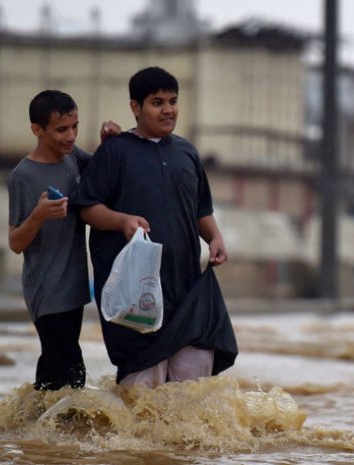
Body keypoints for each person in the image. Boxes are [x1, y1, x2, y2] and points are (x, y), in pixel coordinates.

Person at [77, 66, 238, 388]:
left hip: (187, 289)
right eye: (157, 102)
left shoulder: (187, 152)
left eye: (173, 101)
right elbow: (87, 208)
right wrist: (122, 221)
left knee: (192, 395)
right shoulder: (115, 151)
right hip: (136, 292)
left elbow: (200, 210)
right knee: (140, 396)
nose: (168, 110)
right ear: (136, 108)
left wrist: (215, 237)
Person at [7, 90, 120, 391]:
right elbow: (16, 243)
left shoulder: (74, 159)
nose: (70, 136)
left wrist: (109, 143)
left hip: (74, 289)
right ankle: (63, 433)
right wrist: (38, 215)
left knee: (52, 375)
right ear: (37, 130)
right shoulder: (23, 176)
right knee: (72, 376)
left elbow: (103, 173)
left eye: (75, 127)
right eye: (61, 130)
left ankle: (30, 433)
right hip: (46, 291)